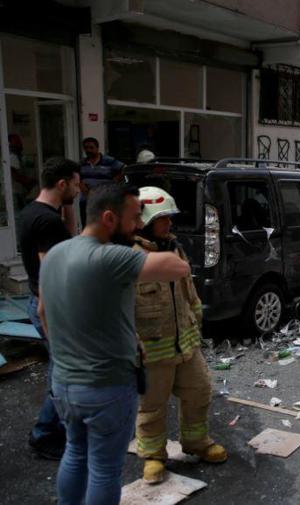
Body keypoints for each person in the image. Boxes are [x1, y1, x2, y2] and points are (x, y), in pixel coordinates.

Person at [39, 183, 191, 505]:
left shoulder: (54, 254)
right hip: (105, 388)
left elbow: (43, 313)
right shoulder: (112, 257)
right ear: (109, 217)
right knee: (105, 469)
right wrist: (148, 243)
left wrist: (66, 350)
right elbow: (179, 267)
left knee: (75, 452)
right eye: (135, 217)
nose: (138, 225)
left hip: (64, 384)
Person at [134, 186, 227, 484]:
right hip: (153, 348)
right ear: (146, 221)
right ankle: (153, 456)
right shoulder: (130, 258)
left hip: (186, 342)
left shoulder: (174, 248)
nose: (170, 224)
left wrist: (197, 319)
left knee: (199, 391)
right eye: (164, 219)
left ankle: (197, 443)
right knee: (152, 406)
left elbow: (189, 293)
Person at [18, 158, 80, 460]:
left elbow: (67, 242)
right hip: (50, 304)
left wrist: (68, 209)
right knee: (63, 372)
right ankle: (45, 434)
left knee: (61, 368)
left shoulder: (33, 211)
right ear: (62, 184)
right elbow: (52, 270)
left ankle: (53, 429)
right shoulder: (46, 221)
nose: (79, 191)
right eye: (76, 184)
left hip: (39, 300)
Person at [79, 137, 125, 226]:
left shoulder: (109, 161)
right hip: (87, 200)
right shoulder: (82, 163)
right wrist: (81, 186)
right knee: (87, 225)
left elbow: (124, 168)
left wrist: (114, 182)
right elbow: (76, 176)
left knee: (103, 224)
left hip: (103, 199)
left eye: (91, 147)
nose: (88, 150)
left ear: (97, 148)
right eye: (86, 148)